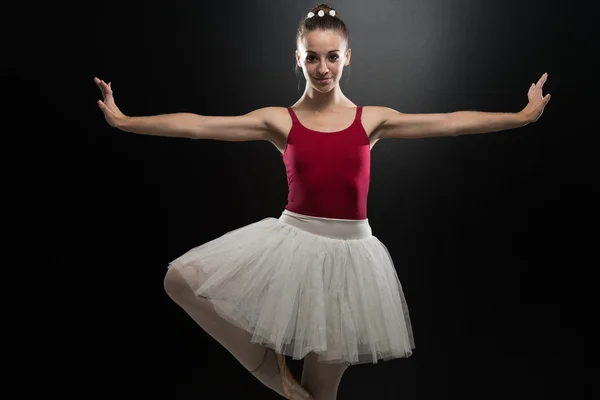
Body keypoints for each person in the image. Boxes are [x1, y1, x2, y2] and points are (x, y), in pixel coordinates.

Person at [95, 3, 550, 399]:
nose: (323, 68)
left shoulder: (372, 119)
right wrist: (125, 120)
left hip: (351, 260)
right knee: (181, 279)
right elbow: (198, 125)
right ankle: (276, 377)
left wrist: (520, 116)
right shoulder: (280, 120)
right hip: (293, 244)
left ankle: (292, 387)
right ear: (298, 59)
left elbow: (450, 122)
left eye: (332, 57)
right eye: (312, 57)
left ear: (347, 57)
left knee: (323, 392)